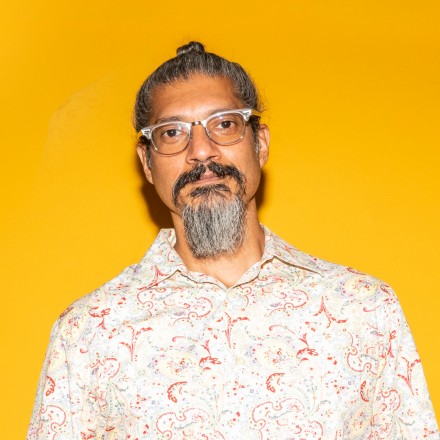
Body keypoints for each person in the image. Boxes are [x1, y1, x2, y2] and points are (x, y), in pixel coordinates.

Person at [28, 41, 438, 439]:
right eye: (172, 133)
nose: (201, 151)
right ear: (147, 163)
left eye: (224, 124)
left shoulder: (364, 309)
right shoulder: (88, 333)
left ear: (260, 144)